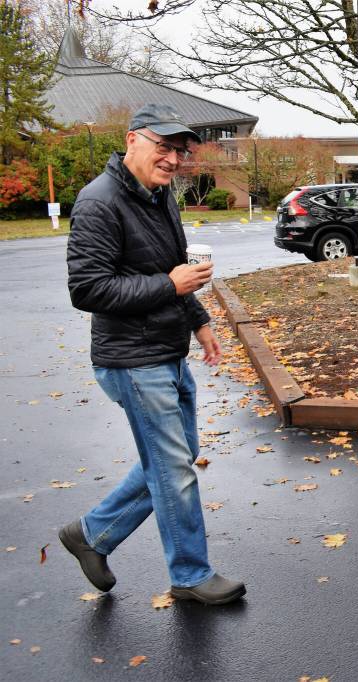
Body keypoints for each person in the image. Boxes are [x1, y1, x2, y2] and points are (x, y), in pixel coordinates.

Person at [61, 104, 245, 604]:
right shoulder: (98, 202)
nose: (172, 159)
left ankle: (91, 535)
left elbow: (171, 268)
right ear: (132, 141)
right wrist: (169, 284)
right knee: (175, 469)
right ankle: (190, 575)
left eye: (178, 150)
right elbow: (88, 289)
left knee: (173, 462)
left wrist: (200, 322)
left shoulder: (159, 196)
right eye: (162, 146)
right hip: (131, 360)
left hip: (166, 351)